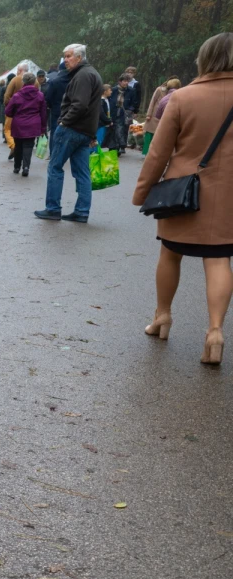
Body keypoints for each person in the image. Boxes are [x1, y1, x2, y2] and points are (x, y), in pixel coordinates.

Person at [132, 33, 233, 366]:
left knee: (170, 252)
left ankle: (162, 318)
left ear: (205, 58)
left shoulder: (182, 97)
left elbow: (158, 153)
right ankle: (215, 332)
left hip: (184, 193)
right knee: (219, 259)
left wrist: (142, 191)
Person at [35, 43, 102, 223]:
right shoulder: (91, 73)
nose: (65, 60)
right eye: (64, 56)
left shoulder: (83, 75)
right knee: (82, 173)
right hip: (85, 132)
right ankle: (81, 212)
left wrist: (64, 122)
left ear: (79, 58)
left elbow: (80, 105)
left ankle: (53, 208)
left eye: (69, 56)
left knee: (55, 167)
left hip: (72, 129)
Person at [5, 72, 48, 176]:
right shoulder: (40, 95)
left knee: (18, 145)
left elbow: (8, 111)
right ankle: (26, 167)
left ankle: (16, 167)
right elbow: (43, 113)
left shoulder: (17, 96)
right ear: (34, 82)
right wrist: (43, 129)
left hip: (18, 124)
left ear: (23, 81)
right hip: (33, 124)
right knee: (28, 146)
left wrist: (15, 114)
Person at [143, 76, 179, 154]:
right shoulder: (160, 89)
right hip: (154, 115)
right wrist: (149, 114)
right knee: (150, 134)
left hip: (164, 115)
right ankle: (146, 152)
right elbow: (153, 101)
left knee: (158, 135)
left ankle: (154, 152)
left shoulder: (176, 92)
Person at [43, 59, 69, 147]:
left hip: (56, 110)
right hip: (71, 111)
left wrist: (51, 106)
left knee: (54, 131)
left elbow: (49, 97)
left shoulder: (54, 81)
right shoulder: (74, 81)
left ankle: (53, 153)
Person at [4, 65, 28, 158]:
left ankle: (13, 146)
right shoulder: (35, 81)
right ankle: (20, 150)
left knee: (8, 129)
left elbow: (7, 95)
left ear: (20, 70)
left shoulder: (15, 79)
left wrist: (7, 106)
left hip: (14, 110)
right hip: (29, 112)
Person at [96, 84, 112, 152]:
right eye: (110, 90)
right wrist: (108, 120)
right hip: (100, 124)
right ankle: (93, 154)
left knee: (101, 139)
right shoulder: (101, 101)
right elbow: (101, 113)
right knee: (98, 139)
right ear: (105, 91)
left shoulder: (106, 100)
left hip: (104, 123)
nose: (111, 91)